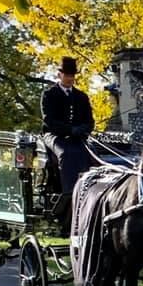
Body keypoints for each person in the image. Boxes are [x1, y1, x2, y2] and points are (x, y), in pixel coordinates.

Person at [41, 57, 95, 196]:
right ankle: (68, 193)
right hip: (54, 135)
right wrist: (69, 130)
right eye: (67, 75)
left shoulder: (81, 97)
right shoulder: (49, 95)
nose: (70, 78)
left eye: (72, 75)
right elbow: (49, 120)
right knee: (66, 153)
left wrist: (84, 129)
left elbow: (90, 121)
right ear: (59, 75)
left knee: (88, 153)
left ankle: (88, 191)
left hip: (77, 136)